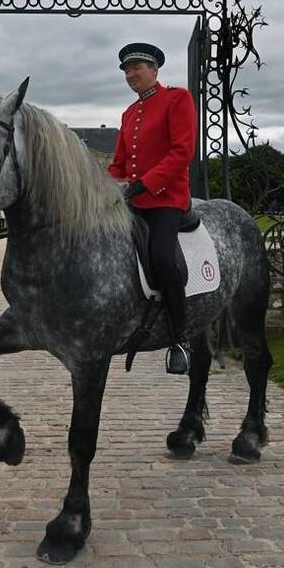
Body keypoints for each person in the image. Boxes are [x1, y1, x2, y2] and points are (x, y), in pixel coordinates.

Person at [107, 41, 196, 375]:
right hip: (131, 201)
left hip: (165, 198)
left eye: (137, 68)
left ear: (154, 69)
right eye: (127, 70)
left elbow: (181, 152)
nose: (131, 74)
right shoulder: (129, 113)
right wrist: (106, 186)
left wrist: (143, 184)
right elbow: (118, 164)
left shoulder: (178, 98)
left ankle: (180, 339)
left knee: (161, 257)